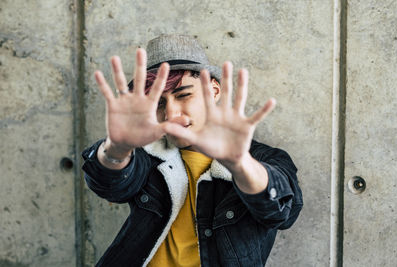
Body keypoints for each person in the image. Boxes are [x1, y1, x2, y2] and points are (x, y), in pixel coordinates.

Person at [82, 34, 303, 267]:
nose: (171, 114)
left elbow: (282, 212)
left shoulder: (264, 160)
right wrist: (117, 149)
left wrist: (240, 164)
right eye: (159, 103)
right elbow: (111, 184)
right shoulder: (148, 156)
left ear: (214, 91)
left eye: (184, 95)